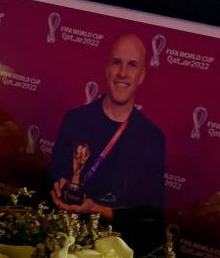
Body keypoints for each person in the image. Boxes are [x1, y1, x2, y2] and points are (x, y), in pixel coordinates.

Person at [48, 34, 165, 222]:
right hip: (64, 233)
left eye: (132, 65)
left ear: (142, 75)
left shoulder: (152, 139)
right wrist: (57, 187)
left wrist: (99, 210)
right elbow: (50, 178)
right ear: (107, 69)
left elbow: (151, 216)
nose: (123, 73)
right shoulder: (74, 120)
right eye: (117, 62)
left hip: (112, 245)